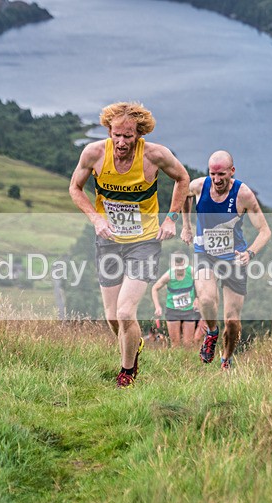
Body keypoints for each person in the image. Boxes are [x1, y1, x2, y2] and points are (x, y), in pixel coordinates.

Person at [69, 101, 189, 388]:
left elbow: (183, 178)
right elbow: (75, 187)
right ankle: (133, 346)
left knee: (125, 312)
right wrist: (96, 219)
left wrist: (171, 219)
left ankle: (127, 373)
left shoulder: (155, 155)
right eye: (117, 135)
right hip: (108, 240)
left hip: (144, 242)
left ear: (140, 134)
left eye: (129, 136)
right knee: (112, 317)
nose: (122, 143)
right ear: (109, 131)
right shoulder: (95, 153)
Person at [181, 150, 271, 369]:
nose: (217, 179)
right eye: (213, 174)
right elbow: (184, 195)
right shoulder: (199, 186)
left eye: (222, 174)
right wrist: (186, 226)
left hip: (234, 259)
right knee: (206, 300)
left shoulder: (243, 195)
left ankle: (226, 359)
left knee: (232, 322)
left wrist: (249, 253)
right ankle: (211, 333)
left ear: (232, 171)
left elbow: (265, 231)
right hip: (205, 253)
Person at [151, 253, 201, 347]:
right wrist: (157, 306)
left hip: (189, 311)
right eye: (177, 268)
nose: (180, 270)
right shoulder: (168, 275)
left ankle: (187, 361)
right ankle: (176, 361)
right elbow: (154, 288)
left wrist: (197, 298)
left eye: (182, 267)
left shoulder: (191, 272)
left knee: (188, 343)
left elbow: (200, 285)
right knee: (175, 342)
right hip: (172, 311)